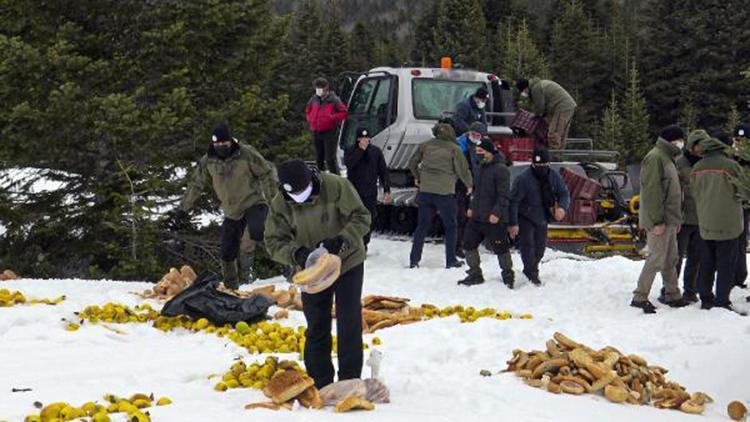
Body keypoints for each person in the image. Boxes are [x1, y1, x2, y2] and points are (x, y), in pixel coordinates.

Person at [264, 160, 371, 389]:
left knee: (349, 320)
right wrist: (298, 254)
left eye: (303, 191)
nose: (299, 197)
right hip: (312, 270)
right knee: (316, 323)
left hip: (347, 261)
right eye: (294, 194)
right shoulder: (280, 203)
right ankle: (320, 381)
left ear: (311, 181)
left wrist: (341, 240)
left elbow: (362, 217)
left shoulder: (335, 186)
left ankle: (350, 380)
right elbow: (273, 242)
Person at [166, 124, 277, 289]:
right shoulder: (208, 160)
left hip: (253, 202)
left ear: (230, 142)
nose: (220, 148)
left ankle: (277, 265)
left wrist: (274, 201)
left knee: (257, 230)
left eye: (224, 145)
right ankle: (231, 286)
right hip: (231, 210)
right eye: (217, 145)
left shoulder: (246, 154)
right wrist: (183, 210)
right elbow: (196, 184)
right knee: (227, 250)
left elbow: (267, 172)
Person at [631, 125, 689, 313]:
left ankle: (672, 294)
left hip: (670, 220)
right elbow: (652, 193)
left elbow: (673, 192)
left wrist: (676, 219)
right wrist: (657, 221)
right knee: (656, 258)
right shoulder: (656, 158)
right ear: (673, 140)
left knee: (671, 258)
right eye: (680, 140)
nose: (682, 143)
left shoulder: (668, 158)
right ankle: (640, 296)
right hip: (659, 220)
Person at [691, 134, 745, 314]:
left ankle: (705, 297)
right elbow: (743, 191)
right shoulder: (731, 166)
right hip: (728, 223)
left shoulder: (697, 167)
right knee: (726, 264)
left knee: (707, 262)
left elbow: (694, 192)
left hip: (705, 222)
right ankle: (722, 300)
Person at [408, 121, 473, 269]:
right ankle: (451, 260)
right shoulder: (454, 149)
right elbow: (463, 170)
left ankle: (414, 260)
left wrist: (418, 177)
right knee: (451, 226)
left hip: (425, 192)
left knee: (422, 227)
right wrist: (469, 185)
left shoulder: (425, 145)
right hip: (445, 194)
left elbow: (412, 163)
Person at [508, 146, 570, 286]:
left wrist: (562, 207)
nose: (542, 167)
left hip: (543, 216)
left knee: (540, 247)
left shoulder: (553, 176)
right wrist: (513, 224)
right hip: (525, 216)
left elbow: (564, 193)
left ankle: (532, 268)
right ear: (533, 164)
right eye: (538, 165)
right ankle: (531, 273)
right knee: (527, 245)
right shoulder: (523, 179)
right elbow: (513, 202)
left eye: (545, 165)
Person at [458, 138, 515, 288]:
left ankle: (508, 274)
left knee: (501, 247)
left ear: (490, 152)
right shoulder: (480, 168)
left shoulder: (501, 170)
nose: (478, 155)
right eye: (477, 152)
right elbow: (476, 191)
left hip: (493, 219)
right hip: (477, 216)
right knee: (468, 243)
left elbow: (504, 195)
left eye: (481, 152)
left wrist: (496, 213)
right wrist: (471, 207)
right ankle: (474, 273)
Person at [343, 127, 392, 248]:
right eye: (361, 138)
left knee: (369, 217)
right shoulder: (350, 151)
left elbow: (383, 171)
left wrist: (386, 189)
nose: (364, 140)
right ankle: (354, 242)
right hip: (354, 191)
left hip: (370, 191)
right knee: (354, 218)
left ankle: (364, 243)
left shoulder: (376, 152)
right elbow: (349, 164)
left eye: (366, 138)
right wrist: (360, 151)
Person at [673, 129, 705, 303]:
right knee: (676, 256)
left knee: (696, 257)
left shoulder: (707, 163)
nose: (701, 149)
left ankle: (690, 290)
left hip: (701, 218)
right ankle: (670, 289)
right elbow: (674, 189)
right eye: (699, 145)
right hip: (683, 218)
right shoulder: (680, 163)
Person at [515, 78, 577, 150]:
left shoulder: (536, 89)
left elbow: (540, 106)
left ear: (525, 88)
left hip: (561, 107)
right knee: (561, 135)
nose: (524, 93)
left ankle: (554, 156)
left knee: (553, 133)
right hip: (568, 106)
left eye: (523, 91)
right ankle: (559, 155)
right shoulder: (538, 84)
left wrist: (535, 115)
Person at [455, 122, 486, 258]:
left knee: (471, 217)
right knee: (460, 216)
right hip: (461, 185)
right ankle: (457, 245)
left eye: (478, 135)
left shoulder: (481, 144)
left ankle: (466, 243)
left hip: (475, 184)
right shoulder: (460, 144)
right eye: (473, 134)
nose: (475, 137)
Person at [305, 77, 348, 174]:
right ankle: (320, 178)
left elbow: (344, 112)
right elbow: (307, 109)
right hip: (316, 130)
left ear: (326, 88)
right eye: (317, 88)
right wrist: (310, 118)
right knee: (319, 158)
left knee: (330, 158)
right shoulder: (314, 99)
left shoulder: (334, 100)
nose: (318, 90)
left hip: (329, 131)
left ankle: (336, 178)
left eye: (320, 88)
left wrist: (331, 117)